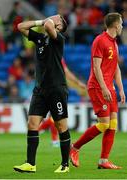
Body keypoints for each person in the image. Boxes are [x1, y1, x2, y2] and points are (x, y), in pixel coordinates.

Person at [14, 14, 71, 173]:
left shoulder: (58, 39)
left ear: (59, 27)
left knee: (61, 126)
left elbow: (48, 26)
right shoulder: (40, 39)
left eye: (58, 19)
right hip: (40, 89)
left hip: (56, 89)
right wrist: (41, 21)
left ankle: (65, 164)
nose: (54, 18)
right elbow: (21, 27)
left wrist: (49, 21)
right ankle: (30, 164)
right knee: (32, 123)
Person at [70, 12, 126, 169]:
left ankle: (103, 161)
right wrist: (103, 87)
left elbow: (116, 68)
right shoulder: (100, 41)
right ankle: (75, 147)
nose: (122, 25)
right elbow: (96, 67)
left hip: (110, 88)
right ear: (115, 24)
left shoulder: (114, 43)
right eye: (121, 23)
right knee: (103, 124)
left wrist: (121, 89)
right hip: (97, 86)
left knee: (113, 124)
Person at [38, 58, 87, 147]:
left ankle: (37, 131)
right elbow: (66, 72)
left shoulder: (50, 55)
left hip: (49, 88)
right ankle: (53, 140)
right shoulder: (56, 57)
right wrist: (78, 83)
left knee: (55, 117)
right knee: (56, 117)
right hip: (54, 89)